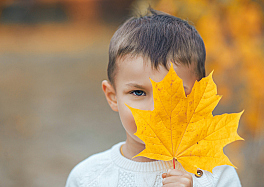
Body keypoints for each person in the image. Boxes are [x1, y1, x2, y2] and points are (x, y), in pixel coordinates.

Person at [65, 8, 242, 187]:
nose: (155, 109)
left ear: (198, 99)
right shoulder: (88, 177)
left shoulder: (215, 175)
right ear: (112, 96)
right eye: (138, 93)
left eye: (174, 95)